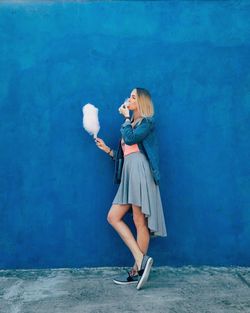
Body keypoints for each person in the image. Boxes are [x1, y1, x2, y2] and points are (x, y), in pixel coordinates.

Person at [95, 87, 167, 290]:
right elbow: (126, 152)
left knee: (138, 220)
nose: (129, 99)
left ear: (141, 102)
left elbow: (131, 140)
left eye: (133, 97)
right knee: (113, 217)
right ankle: (140, 261)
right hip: (129, 171)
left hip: (139, 171)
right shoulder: (132, 124)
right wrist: (108, 150)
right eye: (129, 96)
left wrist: (126, 119)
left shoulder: (147, 122)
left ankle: (137, 270)